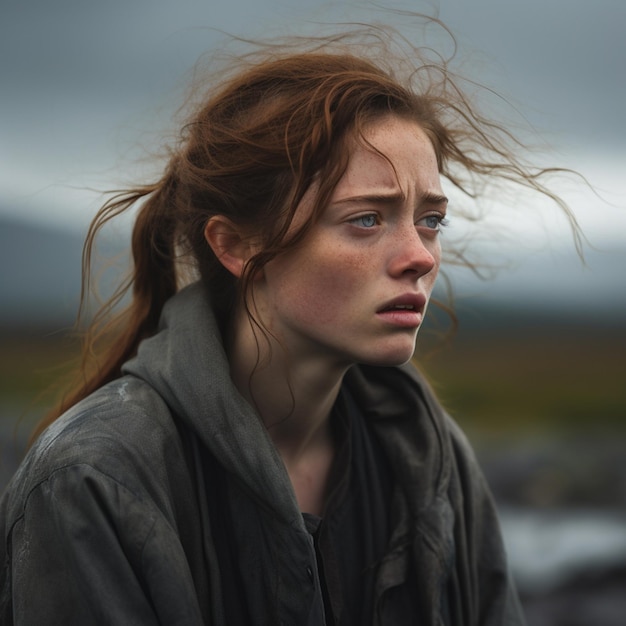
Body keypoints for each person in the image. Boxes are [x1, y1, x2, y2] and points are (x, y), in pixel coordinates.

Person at [0, 21, 578, 626]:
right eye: (365, 219)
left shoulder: (427, 456)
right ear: (237, 245)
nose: (421, 255)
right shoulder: (95, 479)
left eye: (431, 219)